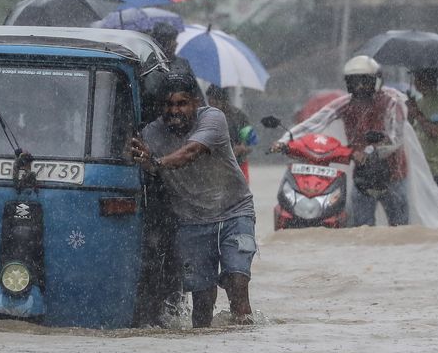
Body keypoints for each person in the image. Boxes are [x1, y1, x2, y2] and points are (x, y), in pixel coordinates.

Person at [130, 73, 256, 328]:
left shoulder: (213, 119)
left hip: (234, 212)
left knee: (237, 282)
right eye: (168, 105)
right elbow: (133, 154)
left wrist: (154, 162)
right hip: (191, 220)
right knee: (201, 299)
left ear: (196, 103)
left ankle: (245, 344)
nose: (174, 111)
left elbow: (190, 152)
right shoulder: (151, 134)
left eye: (181, 103)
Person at [275, 55, 410, 227]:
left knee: (400, 227)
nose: (359, 87)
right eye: (354, 82)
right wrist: (284, 140)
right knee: (361, 228)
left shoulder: (391, 102)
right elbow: (315, 122)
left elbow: (396, 135)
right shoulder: (346, 104)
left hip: (392, 175)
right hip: (363, 175)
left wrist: (376, 149)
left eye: (364, 81)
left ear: (376, 81)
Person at [406, 67, 438, 199]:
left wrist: (417, 113)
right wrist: (409, 114)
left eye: (417, 78)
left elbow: (435, 132)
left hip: (435, 172)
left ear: (425, 79)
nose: (415, 82)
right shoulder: (419, 102)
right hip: (418, 170)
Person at [205, 85, 257, 183]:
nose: (212, 104)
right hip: (213, 168)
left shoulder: (239, 116)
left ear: (224, 100)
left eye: (215, 101)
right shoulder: (204, 116)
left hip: (238, 166)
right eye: (210, 101)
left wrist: (242, 148)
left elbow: (250, 142)